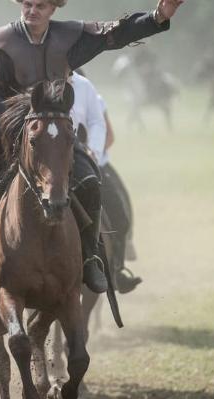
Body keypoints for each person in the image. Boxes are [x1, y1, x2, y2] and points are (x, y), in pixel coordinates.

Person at [0, 0, 185, 298]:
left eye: (40, 5)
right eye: (27, 3)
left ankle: (89, 258)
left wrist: (157, 17)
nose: (32, 10)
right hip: (5, 132)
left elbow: (114, 35)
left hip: (53, 135)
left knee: (90, 181)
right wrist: (19, 130)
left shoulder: (68, 37)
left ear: (53, 9)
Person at [70, 71, 141, 292]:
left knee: (119, 213)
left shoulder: (90, 92)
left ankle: (116, 268)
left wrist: (91, 153)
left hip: (93, 162)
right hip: (53, 163)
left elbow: (107, 135)